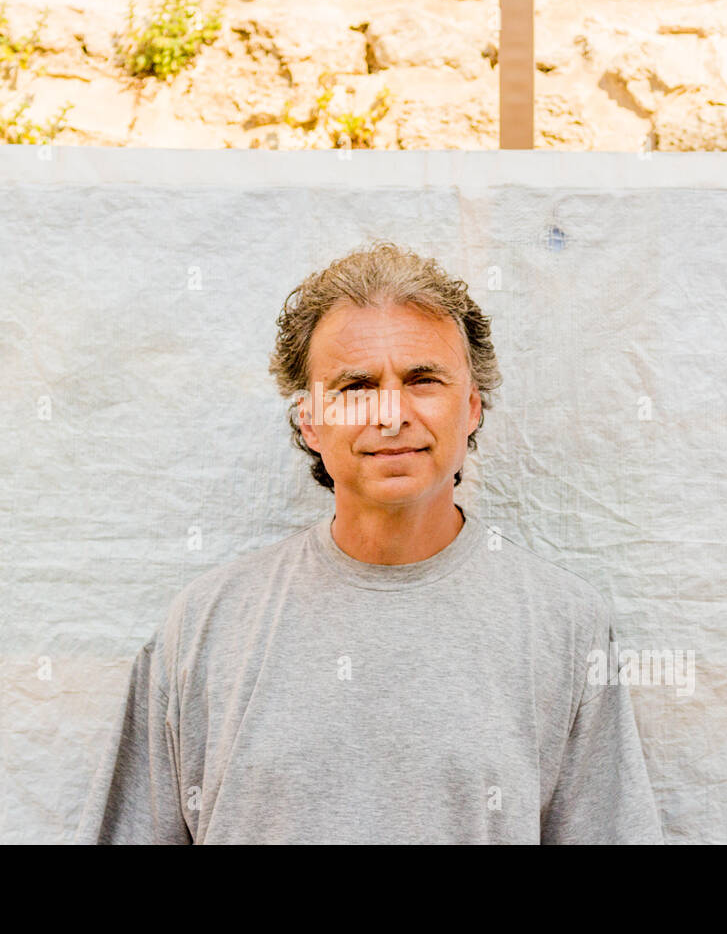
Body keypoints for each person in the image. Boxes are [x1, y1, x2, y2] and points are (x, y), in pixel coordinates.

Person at [79, 241, 662, 844]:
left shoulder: (564, 626)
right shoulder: (204, 627)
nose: (391, 413)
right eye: (356, 386)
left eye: (423, 379)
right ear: (309, 418)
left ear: (470, 407)